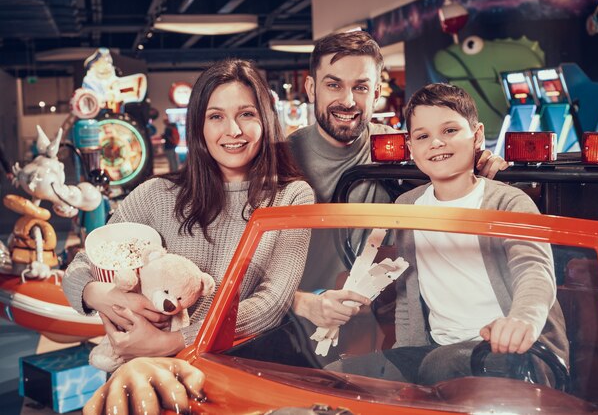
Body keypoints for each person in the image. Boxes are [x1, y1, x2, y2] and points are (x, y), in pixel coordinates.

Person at [62, 59, 314, 361]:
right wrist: (101, 295)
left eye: (246, 114)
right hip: (142, 373)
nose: (233, 130)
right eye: (216, 116)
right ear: (198, 126)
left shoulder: (291, 196)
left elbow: (272, 303)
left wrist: (171, 342)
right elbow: (80, 266)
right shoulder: (157, 194)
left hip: (227, 371)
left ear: (266, 120)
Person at [328, 83, 568, 385]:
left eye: (450, 130)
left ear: (477, 135)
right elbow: (406, 293)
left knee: (441, 367)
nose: (437, 143)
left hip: (515, 351)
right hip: (434, 351)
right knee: (335, 378)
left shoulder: (508, 202)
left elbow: (534, 269)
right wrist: (402, 362)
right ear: (411, 147)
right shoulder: (408, 205)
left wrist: (523, 320)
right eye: (423, 136)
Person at [289, 30, 509, 328]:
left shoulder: (408, 151)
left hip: (384, 321)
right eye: (334, 85)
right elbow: (244, 266)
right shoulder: (277, 160)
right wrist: (303, 302)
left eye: (361, 87)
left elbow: (457, 183)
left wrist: (478, 164)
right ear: (312, 88)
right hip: (296, 322)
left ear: (377, 93)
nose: (348, 100)